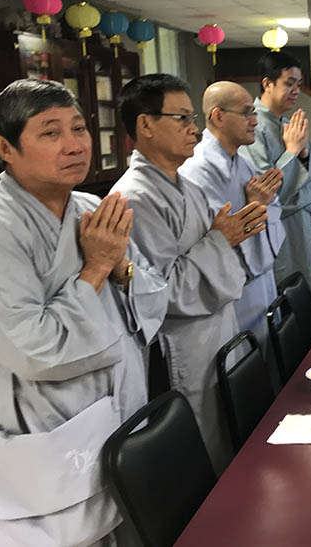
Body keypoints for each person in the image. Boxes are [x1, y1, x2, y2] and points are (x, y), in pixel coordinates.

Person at [0, 79, 166, 546]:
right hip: (49, 425)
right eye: (50, 132)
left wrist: (120, 267)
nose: (74, 145)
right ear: (5, 148)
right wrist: (95, 268)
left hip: (120, 407)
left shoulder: (93, 208)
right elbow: (34, 349)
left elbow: (152, 296)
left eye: (79, 128)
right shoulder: (3, 227)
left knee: (126, 521)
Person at [113, 73, 267, 472]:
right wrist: (220, 241)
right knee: (202, 447)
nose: (193, 129)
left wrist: (223, 239)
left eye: (191, 118)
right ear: (145, 124)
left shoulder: (187, 187)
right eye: (181, 118)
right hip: (183, 344)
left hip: (218, 330)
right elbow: (159, 291)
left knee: (232, 433)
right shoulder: (134, 198)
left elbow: (211, 253)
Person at [178, 81, 285, 355]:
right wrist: (257, 205)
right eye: (247, 113)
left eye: (254, 113)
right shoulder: (199, 169)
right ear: (218, 116)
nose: (254, 121)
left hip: (261, 282)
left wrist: (262, 204)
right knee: (246, 363)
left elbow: (268, 211)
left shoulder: (242, 162)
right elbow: (223, 236)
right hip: (236, 291)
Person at [240, 51, 311, 315]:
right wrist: (292, 151)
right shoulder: (253, 127)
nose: (296, 90)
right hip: (279, 226)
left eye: (299, 84)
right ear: (267, 83)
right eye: (289, 83)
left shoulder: (290, 125)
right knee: (291, 297)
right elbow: (264, 188)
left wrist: (303, 155)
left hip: (302, 222)